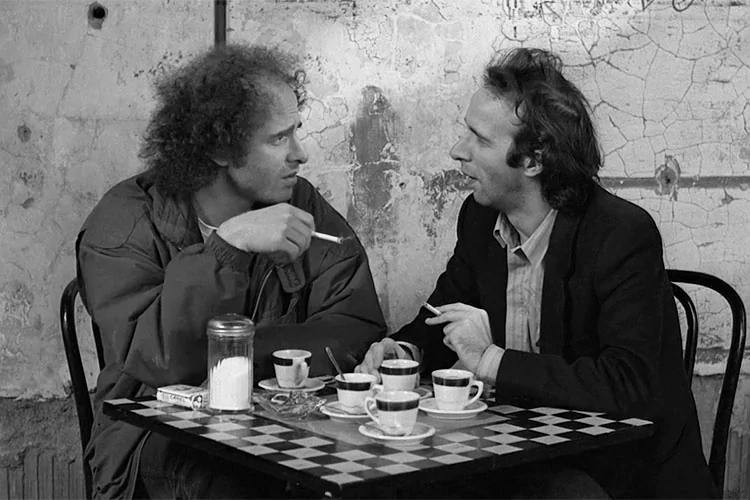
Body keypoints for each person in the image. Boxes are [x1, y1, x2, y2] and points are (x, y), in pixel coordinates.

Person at [355, 47, 716, 499]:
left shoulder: (620, 233)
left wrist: (490, 360)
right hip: (519, 457)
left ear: (533, 160)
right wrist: (402, 353)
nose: (457, 151)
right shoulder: (479, 218)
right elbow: (442, 313)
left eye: (479, 139)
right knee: (392, 479)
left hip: (617, 474)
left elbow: (627, 385)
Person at [76, 44, 386, 499]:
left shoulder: (298, 203)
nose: (300, 154)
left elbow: (355, 324)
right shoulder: (124, 223)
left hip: (280, 426)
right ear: (221, 147)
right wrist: (228, 247)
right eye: (278, 139)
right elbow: (162, 361)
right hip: (151, 436)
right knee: (230, 478)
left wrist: (246, 356)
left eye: (296, 132)